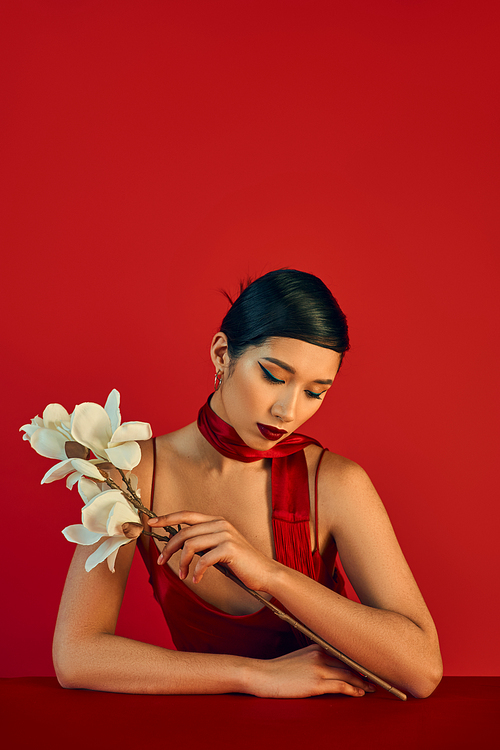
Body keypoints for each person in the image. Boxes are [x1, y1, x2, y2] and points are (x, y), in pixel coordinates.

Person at [53, 269, 443, 699]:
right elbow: (75, 655)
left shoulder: (333, 483)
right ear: (223, 354)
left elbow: (421, 671)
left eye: (315, 392)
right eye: (274, 376)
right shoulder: (132, 473)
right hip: (207, 732)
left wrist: (271, 574)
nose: (287, 410)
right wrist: (256, 676)